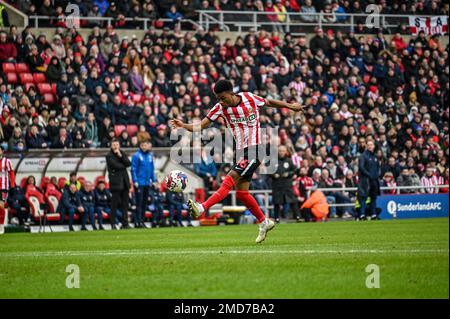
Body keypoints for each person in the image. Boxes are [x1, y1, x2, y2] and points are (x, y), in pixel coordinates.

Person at [170, 79, 304, 243]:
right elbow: (201, 125)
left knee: (230, 178)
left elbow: (269, 102)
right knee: (242, 193)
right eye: (218, 98)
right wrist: (183, 125)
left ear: (231, 93)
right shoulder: (220, 108)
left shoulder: (249, 97)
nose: (221, 101)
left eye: (223, 97)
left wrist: (289, 106)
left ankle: (202, 207)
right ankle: (264, 222)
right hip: (242, 152)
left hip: (256, 149)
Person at [106, 138, 131, 229]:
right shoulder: (109, 156)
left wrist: (120, 156)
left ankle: (125, 223)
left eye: (117, 145)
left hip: (125, 182)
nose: (116, 147)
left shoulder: (122, 153)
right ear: (111, 146)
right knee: (114, 205)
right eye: (114, 145)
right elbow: (115, 166)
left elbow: (128, 163)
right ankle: (113, 223)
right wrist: (123, 164)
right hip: (116, 183)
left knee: (125, 204)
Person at [131, 140, 156, 228]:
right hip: (139, 183)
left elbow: (152, 169)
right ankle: (137, 221)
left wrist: (153, 180)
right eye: (143, 145)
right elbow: (133, 169)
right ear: (140, 146)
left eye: (146, 145)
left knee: (145, 203)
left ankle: (142, 220)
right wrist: (135, 181)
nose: (145, 147)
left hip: (147, 183)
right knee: (139, 203)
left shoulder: (150, 156)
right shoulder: (136, 156)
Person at [271, 145, 298, 223]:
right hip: (277, 185)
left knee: (293, 200)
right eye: (280, 151)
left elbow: (295, 170)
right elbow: (268, 171)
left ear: (286, 152)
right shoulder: (273, 161)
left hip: (287, 185)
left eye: (283, 151)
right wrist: (273, 174)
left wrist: (288, 174)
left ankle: (297, 216)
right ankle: (277, 218)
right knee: (277, 202)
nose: (281, 152)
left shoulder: (289, 160)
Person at [357, 140, 381, 220]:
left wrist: (377, 174)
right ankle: (362, 215)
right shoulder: (363, 156)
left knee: (373, 197)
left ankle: (373, 214)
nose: (370, 146)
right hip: (365, 180)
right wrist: (369, 175)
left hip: (374, 180)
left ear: (374, 146)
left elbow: (378, 167)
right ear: (366, 146)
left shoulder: (375, 157)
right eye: (368, 145)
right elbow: (361, 167)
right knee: (363, 197)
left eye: (371, 145)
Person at [0, 146, 16, 234]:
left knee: (1, 206)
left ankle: (1, 227)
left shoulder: (7, 161)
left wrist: (12, 185)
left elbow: (12, 173)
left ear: (2, 151)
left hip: (3, 187)